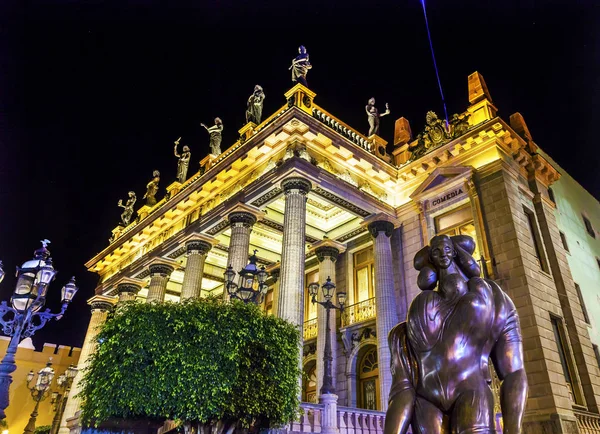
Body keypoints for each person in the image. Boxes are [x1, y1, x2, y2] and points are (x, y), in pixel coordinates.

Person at [384, 235, 528, 434]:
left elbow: (514, 372)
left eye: (447, 249)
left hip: (470, 393)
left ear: (455, 251)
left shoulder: (492, 298)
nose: (443, 254)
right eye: (436, 251)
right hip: (426, 402)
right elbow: (403, 389)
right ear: (431, 257)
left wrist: (513, 429)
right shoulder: (407, 325)